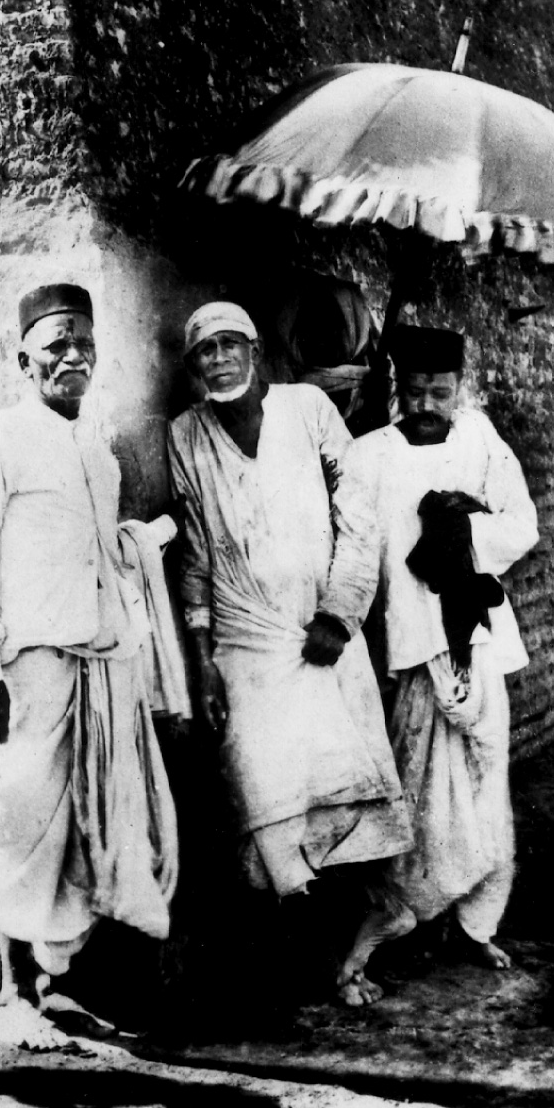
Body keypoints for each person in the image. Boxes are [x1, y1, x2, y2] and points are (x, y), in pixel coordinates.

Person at [0, 284, 181, 1048]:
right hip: (27, 670)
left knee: (85, 825)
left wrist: (145, 543)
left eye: (84, 343)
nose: (73, 355)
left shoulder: (97, 453)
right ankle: (13, 993)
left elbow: (98, 555)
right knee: (22, 820)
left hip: (99, 665)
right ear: (24, 361)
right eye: (56, 344)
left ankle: (56, 986)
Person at [166, 302, 411, 1005]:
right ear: (193, 366)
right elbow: (195, 553)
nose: (219, 359)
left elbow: (359, 518)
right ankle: (303, 959)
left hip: (321, 634)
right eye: (205, 350)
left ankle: (355, 947)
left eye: (230, 344)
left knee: (343, 786)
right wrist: (203, 658)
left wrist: (339, 613)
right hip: (244, 641)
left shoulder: (307, 409)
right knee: (264, 792)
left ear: (255, 349)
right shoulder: (186, 434)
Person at [338, 325, 539, 996]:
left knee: (484, 778)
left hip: (477, 637)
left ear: (459, 389)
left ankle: (473, 923)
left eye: (440, 392)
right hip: (411, 644)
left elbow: (522, 525)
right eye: (415, 390)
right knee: (419, 785)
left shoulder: (480, 439)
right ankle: (400, 916)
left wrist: (462, 528)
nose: (426, 404)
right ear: (397, 387)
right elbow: (356, 550)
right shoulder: (369, 455)